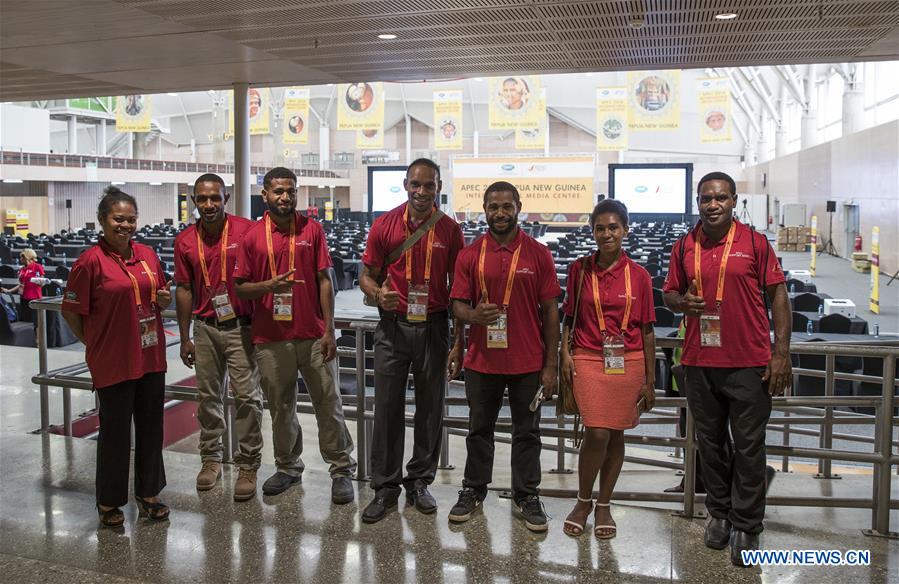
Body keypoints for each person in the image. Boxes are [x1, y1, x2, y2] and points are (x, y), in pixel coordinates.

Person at [663, 171, 791, 567]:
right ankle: (719, 513)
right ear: (697, 201)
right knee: (711, 444)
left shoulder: (755, 243)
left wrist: (781, 353)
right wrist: (681, 303)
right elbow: (668, 294)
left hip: (749, 363)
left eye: (720, 198)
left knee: (750, 447)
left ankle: (748, 523)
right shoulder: (685, 245)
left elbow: (779, 297)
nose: (712, 204)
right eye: (705, 198)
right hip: (699, 362)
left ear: (734, 201)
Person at [234, 167, 356, 504]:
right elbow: (240, 288)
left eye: (291, 191)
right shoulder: (252, 237)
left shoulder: (312, 229)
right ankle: (288, 466)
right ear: (265, 195)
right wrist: (269, 287)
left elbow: (325, 280)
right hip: (271, 338)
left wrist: (330, 329)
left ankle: (341, 468)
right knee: (280, 407)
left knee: (328, 403)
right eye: (278, 191)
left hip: (313, 335)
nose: (285, 197)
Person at [446, 181, 560, 532]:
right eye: (493, 207)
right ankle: (473, 490)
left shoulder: (538, 253)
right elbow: (457, 306)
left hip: (528, 363)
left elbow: (551, 311)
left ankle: (527, 494)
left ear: (518, 207)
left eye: (506, 206)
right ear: (484, 209)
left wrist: (551, 365)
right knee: (479, 430)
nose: (499, 213)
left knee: (528, 433)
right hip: (482, 363)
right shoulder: (469, 254)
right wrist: (472, 319)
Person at [358, 158, 465, 523]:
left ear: (438, 186)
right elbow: (366, 276)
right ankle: (385, 486)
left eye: (429, 185)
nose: (421, 192)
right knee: (387, 406)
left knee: (430, 408)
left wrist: (458, 342)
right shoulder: (385, 224)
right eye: (415, 184)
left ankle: (419, 480)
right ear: (405, 185)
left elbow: (460, 291)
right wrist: (377, 295)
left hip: (434, 327)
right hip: (392, 326)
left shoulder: (450, 230)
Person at [61, 186, 172, 527]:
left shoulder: (147, 255)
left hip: (150, 355)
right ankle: (109, 501)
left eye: (131, 219)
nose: (125, 225)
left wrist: (164, 302)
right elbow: (71, 312)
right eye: (118, 219)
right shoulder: (89, 262)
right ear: (102, 221)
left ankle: (149, 492)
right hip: (114, 359)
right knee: (115, 432)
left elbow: (159, 295)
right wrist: (95, 343)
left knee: (152, 428)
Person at [559, 200, 656, 539]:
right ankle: (583, 501)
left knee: (616, 433)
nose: (607, 233)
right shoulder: (579, 269)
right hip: (587, 356)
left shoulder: (640, 276)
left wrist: (650, 380)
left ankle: (603, 505)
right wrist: (564, 353)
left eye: (613, 227)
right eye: (600, 228)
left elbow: (646, 329)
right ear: (593, 232)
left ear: (625, 230)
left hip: (627, 362)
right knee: (597, 431)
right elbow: (569, 316)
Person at [174, 173, 263, 501]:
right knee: (208, 397)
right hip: (206, 327)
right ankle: (210, 458)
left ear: (226, 198)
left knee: (247, 397)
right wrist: (185, 337)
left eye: (215, 198)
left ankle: (248, 462)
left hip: (242, 326)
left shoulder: (247, 230)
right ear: (194, 201)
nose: (208, 204)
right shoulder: (185, 240)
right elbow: (183, 289)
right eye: (202, 199)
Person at [2, 248, 45, 323]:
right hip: (23, 297)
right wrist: (9, 291)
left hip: (34, 298)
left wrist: (39, 282)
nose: (20, 259)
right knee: (25, 320)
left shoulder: (37, 267)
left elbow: (42, 281)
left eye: (22, 257)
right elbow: (21, 285)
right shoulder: (22, 269)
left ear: (27, 258)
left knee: (33, 321)